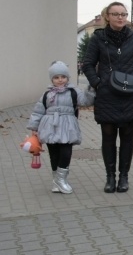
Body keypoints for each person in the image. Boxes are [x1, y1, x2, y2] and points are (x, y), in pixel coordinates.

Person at [82, 2, 133, 193]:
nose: (120, 17)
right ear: (107, 16)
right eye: (116, 14)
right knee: (108, 136)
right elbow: (88, 64)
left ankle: (124, 177)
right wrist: (97, 83)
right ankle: (110, 177)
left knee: (127, 136)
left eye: (123, 14)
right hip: (107, 95)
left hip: (130, 94)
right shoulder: (98, 38)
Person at [26, 61, 95, 194]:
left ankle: (61, 179)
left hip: (67, 127)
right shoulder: (47, 94)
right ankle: (56, 181)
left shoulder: (74, 92)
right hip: (49, 127)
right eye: (56, 77)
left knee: (66, 152)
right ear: (52, 79)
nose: (60, 80)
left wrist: (91, 89)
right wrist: (34, 127)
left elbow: (86, 101)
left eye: (63, 77)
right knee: (54, 154)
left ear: (67, 77)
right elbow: (38, 111)